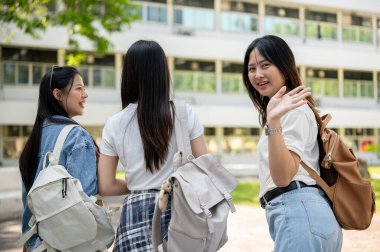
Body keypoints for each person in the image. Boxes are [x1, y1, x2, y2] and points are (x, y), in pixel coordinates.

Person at [97, 40, 208, 251]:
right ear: (162, 73)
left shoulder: (114, 124)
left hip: (134, 213)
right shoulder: (184, 113)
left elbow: (106, 186)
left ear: (128, 74)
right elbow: (204, 167)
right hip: (180, 210)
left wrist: (138, 185)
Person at [242, 35, 343, 251]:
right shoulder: (285, 110)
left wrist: (273, 122)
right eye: (251, 68)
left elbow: (283, 176)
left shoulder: (293, 109)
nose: (257, 74)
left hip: (300, 212)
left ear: (285, 68)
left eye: (265, 65)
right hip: (305, 215)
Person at [19, 66, 98, 251]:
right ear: (58, 94)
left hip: (35, 245)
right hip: (69, 245)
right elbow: (85, 200)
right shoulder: (76, 136)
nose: (85, 95)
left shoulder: (34, 140)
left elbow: (28, 205)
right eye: (79, 88)